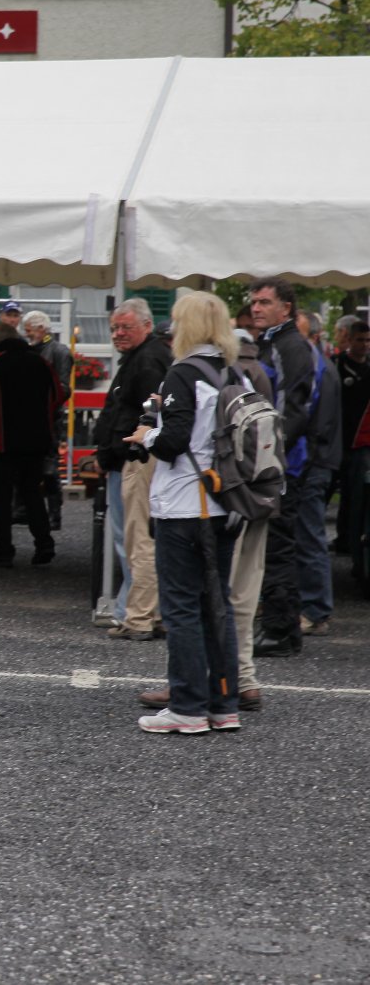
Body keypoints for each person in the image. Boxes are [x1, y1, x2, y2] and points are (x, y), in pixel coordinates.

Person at [123, 291, 244, 734]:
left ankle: (188, 707)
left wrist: (147, 435)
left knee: (181, 607)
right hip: (226, 501)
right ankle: (223, 704)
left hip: (184, 504)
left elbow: (174, 441)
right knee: (217, 606)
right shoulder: (233, 372)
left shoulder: (183, 373)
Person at [250, 277, 339, 655]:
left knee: (280, 546)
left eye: (264, 302)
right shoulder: (274, 343)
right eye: (254, 301)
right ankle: (282, 628)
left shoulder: (290, 346)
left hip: (286, 464)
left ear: (285, 308)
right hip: (280, 461)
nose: (256, 308)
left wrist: (269, 456)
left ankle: (280, 629)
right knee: (276, 545)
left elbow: (292, 410)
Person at [90, 299, 172, 640]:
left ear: (147, 327)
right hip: (127, 458)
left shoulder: (148, 360)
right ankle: (144, 612)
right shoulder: (141, 357)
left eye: (125, 327)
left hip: (137, 459)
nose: (118, 334)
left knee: (135, 540)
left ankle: (137, 614)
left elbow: (146, 414)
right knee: (133, 539)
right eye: (114, 328)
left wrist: (113, 450)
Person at [0, 322, 64, 566]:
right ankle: (44, 545)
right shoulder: (41, 362)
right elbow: (58, 395)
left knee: (2, 497)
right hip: (37, 440)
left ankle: (4, 552)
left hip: (4, 441)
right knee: (32, 493)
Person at [24, 309, 72, 531]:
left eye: (29, 330)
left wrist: (39, 395)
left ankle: (55, 515)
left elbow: (64, 389)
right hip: (28, 419)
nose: (26, 334)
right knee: (28, 468)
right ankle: (27, 510)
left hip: (50, 420)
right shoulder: (28, 351)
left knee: (50, 470)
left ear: (42, 329)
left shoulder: (60, 351)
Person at [336, 320, 370, 561]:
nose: (364, 345)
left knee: (356, 496)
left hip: (361, 444)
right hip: (338, 441)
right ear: (349, 340)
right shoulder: (337, 366)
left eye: (368, 340)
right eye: (360, 340)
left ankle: (351, 542)